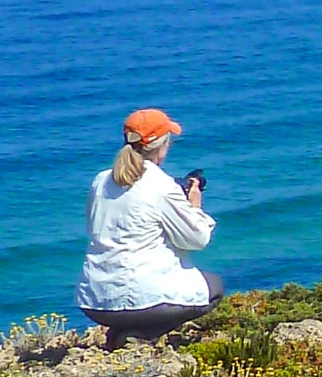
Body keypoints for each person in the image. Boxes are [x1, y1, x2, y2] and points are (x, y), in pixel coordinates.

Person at [78, 107, 224, 348]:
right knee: (215, 286)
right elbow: (198, 239)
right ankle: (144, 335)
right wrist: (195, 209)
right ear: (162, 145)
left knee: (132, 297)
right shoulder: (162, 185)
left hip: (95, 302)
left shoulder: (101, 180)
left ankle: (123, 332)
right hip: (145, 302)